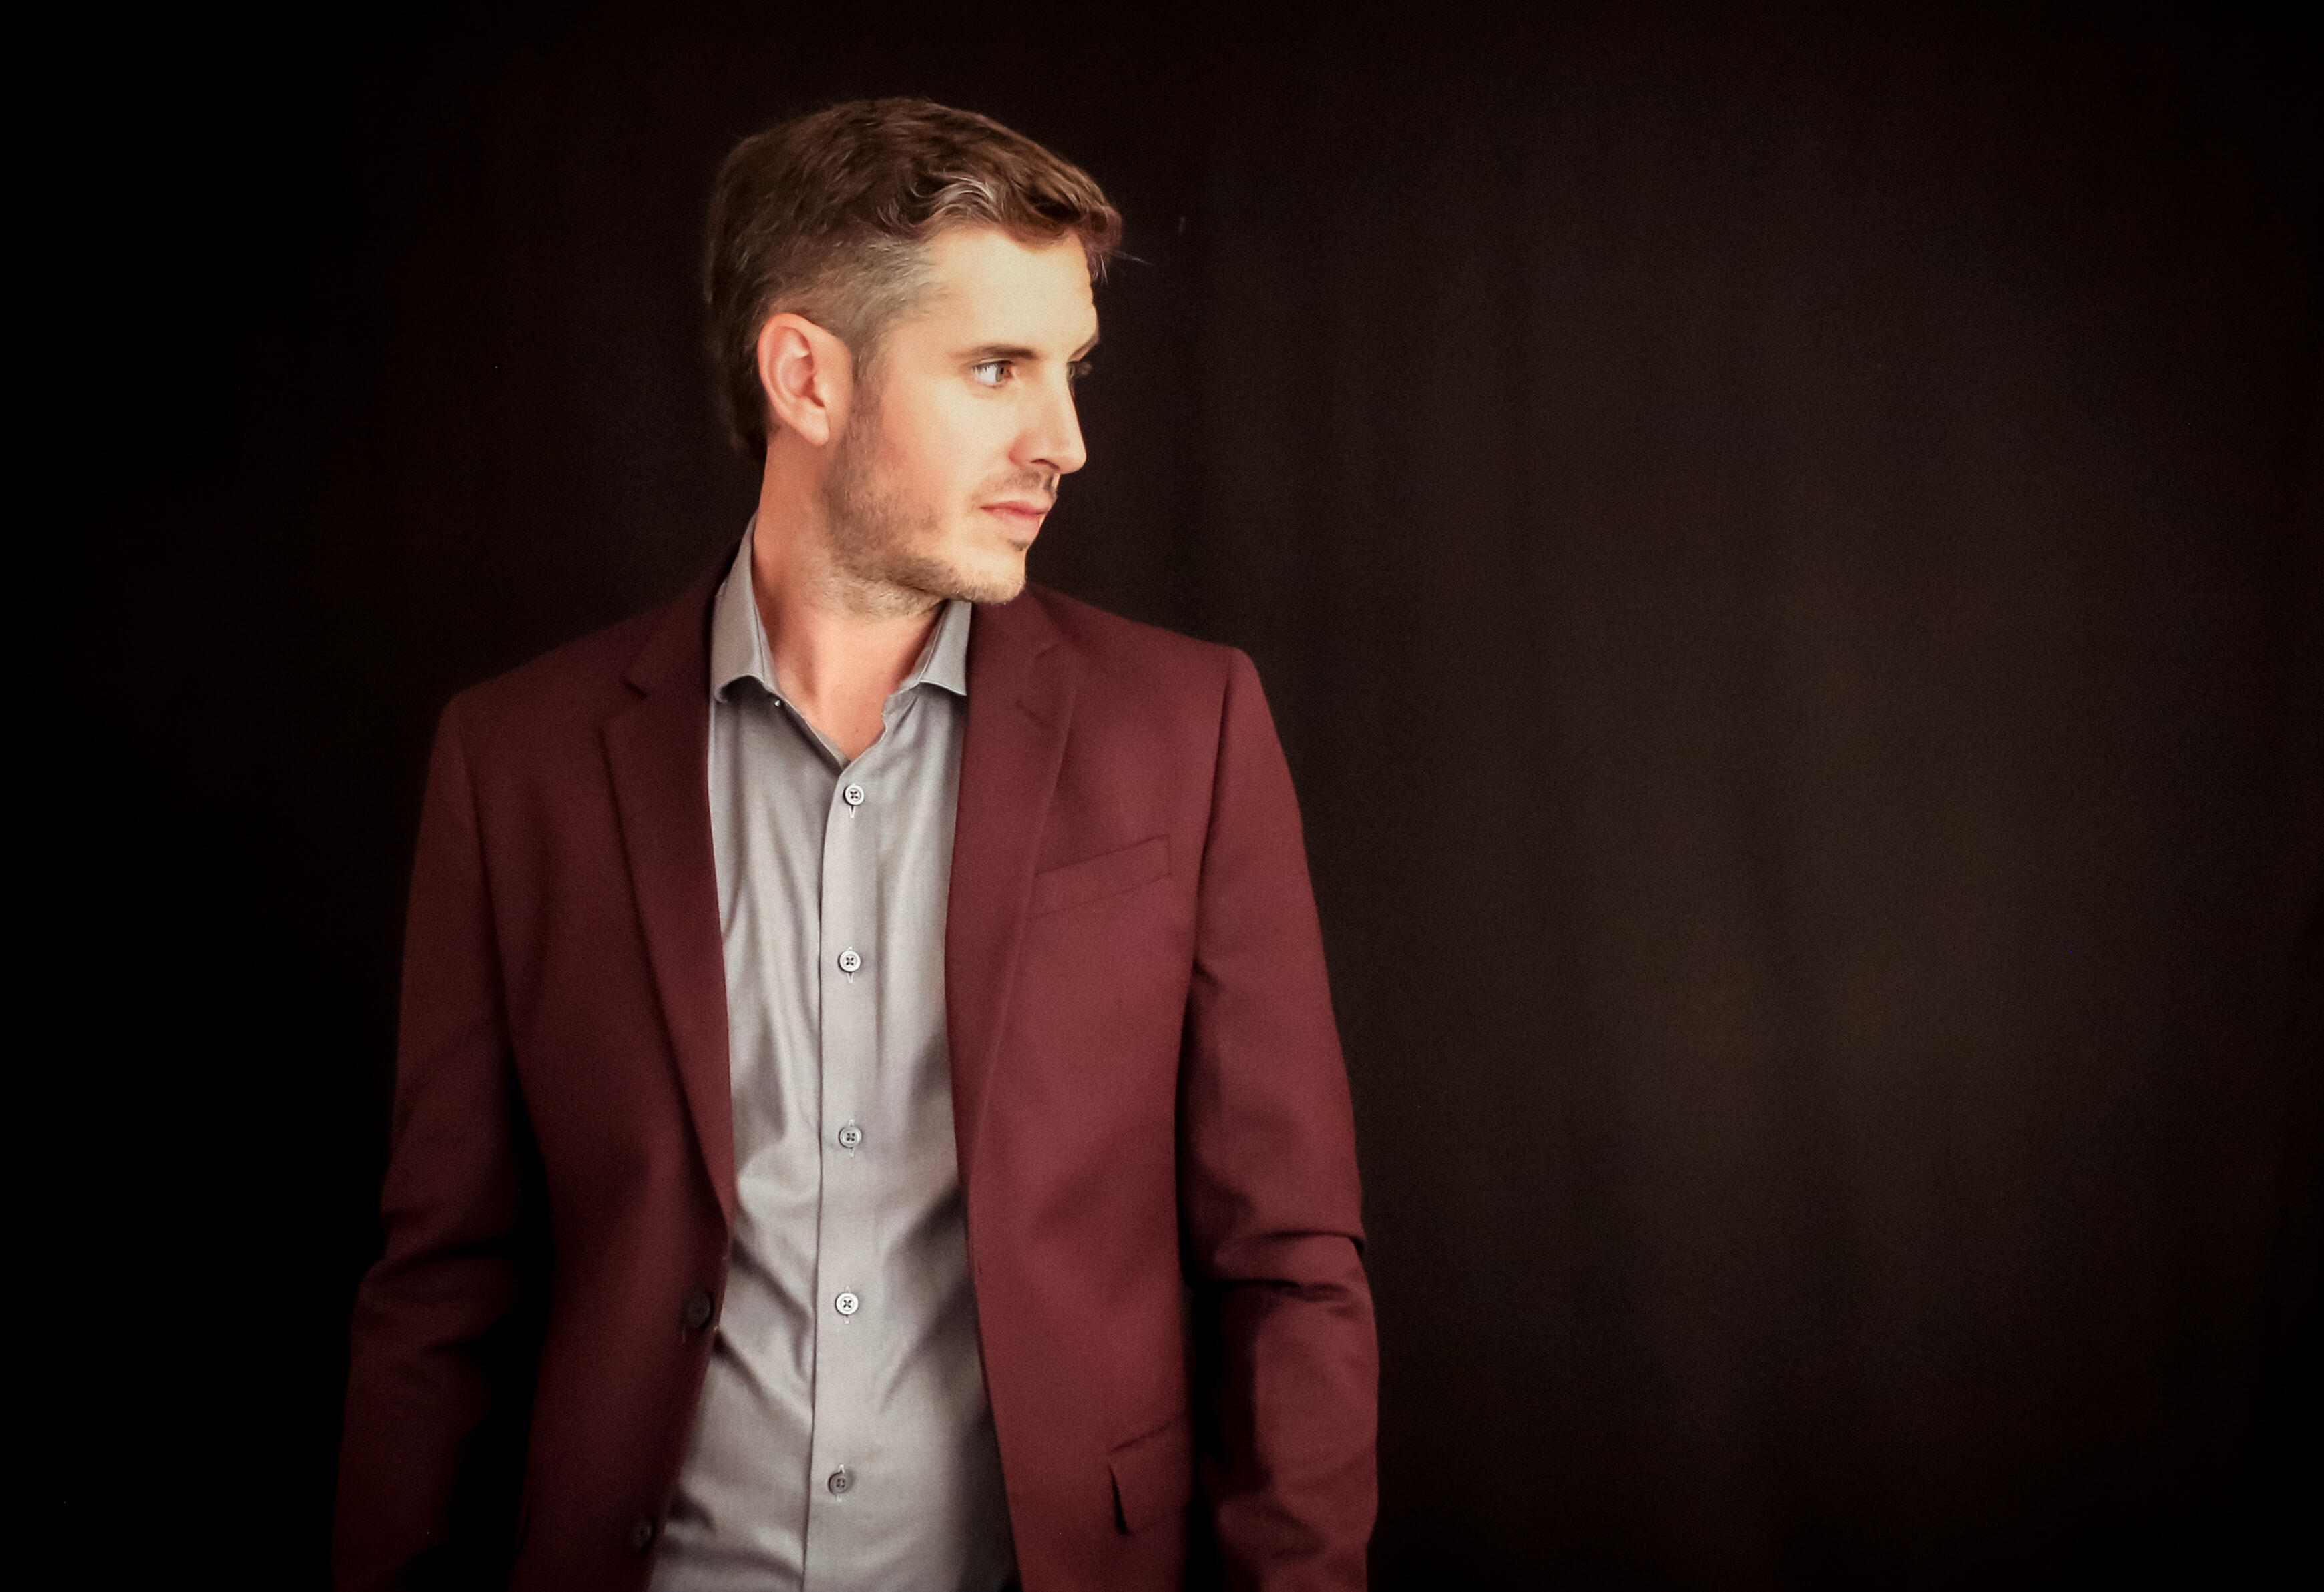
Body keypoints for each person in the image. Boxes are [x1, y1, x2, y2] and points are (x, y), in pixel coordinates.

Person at [333, 98, 1375, 1592]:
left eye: (1069, 368)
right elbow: (445, 1288)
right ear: (806, 375)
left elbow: (1288, 1266)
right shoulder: (516, 764)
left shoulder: (1187, 729)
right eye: (996, 368)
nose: (1064, 442)